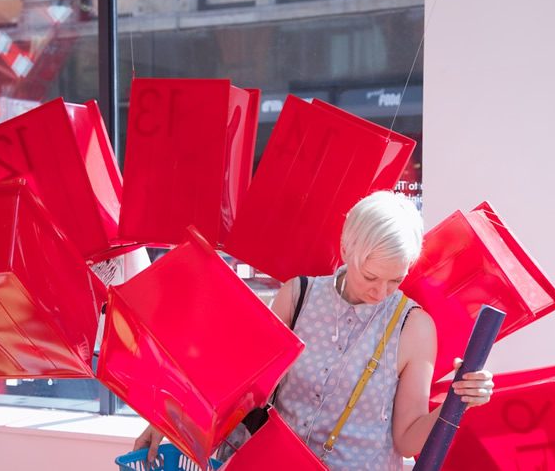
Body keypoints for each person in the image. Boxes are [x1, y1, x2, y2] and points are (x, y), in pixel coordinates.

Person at [134, 191, 494, 470]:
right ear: (345, 249)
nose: (381, 292)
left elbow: (406, 440)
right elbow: (242, 392)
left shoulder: (413, 326)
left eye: (395, 279)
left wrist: (458, 399)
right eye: (370, 276)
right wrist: (174, 422)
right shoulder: (298, 296)